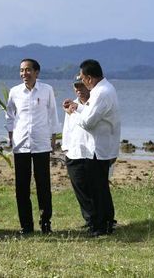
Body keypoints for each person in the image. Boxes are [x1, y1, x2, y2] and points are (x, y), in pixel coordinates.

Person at [63, 59, 121, 236]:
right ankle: (101, 223)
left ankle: (102, 225)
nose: (81, 83)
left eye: (82, 78)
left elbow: (88, 122)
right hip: (96, 147)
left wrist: (72, 112)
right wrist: (77, 108)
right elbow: (89, 115)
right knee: (98, 188)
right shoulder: (102, 90)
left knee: (98, 189)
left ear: (88, 78)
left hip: (98, 148)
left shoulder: (101, 92)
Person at [5, 58, 60, 235]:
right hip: (21, 144)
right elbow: (10, 116)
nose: (24, 74)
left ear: (36, 72)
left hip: (41, 143)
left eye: (28, 70)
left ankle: (45, 223)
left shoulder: (46, 90)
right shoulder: (14, 92)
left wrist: (53, 138)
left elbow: (53, 115)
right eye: (21, 70)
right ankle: (26, 226)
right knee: (22, 187)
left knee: (43, 185)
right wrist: (11, 137)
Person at [61, 75, 94, 228]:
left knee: (94, 187)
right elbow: (67, 128)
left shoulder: (94, 103)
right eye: (76, 86)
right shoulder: (71, 105)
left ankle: (102, 218)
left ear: (88, 84)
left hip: (91, 152)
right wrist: (65, 148)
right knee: (79, 188)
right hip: (73, 151)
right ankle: (89, 219)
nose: (78, 89)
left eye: (81, 86)